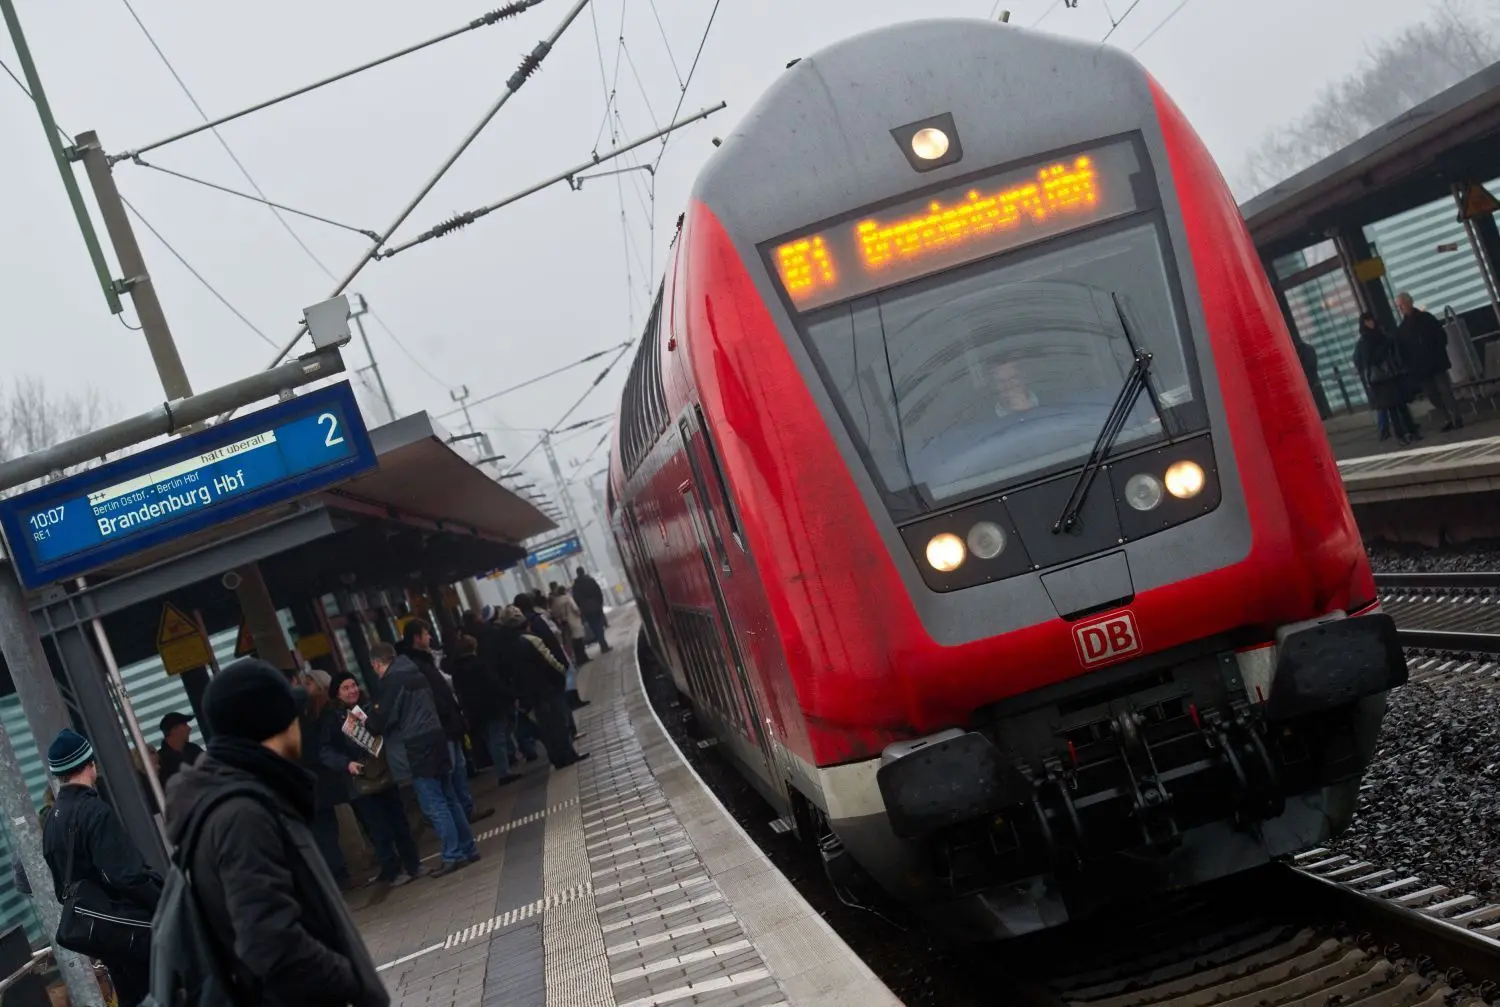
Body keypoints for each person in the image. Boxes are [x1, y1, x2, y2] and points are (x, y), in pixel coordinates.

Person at [162, 658, 388, 1006]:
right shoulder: (242, 814)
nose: (298, 725)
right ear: (273, 723)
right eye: (292, 716)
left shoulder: (237, 798)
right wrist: (351, 981)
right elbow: (270, 941)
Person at [42, 729, 161, 1006]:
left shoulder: (52, 822)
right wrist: (163, 903)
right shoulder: (95, 812)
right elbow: (127, 876)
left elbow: (61, 888)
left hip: (101, 934)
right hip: (132, 926)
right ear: (90, 764)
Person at [367, 642, 478, 877]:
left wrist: (367, 721)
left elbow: (381, 720)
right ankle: (469, 849)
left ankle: (452, 855)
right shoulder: (415, 673)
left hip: (417, 745)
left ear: (376, 664)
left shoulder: (393, 681)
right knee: (449, 797)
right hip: (437, 738)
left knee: (434, 804)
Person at [329, 672, 423, 887]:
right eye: (345, 688)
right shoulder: (333, 718)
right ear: (337, 693)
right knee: (379, 829)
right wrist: (346, 763)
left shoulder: (369, 707)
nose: (352, 690)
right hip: (361, 779)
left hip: (384, 771)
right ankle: (393, 871)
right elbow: (326, 750)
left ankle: (414, 864)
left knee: (400, 821)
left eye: (354, 685)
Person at [399, 619, 492, 824]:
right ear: (417, 638)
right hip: (440, 726)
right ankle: (459, 813)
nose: (430, 637)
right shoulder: (416, 666)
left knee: (459, 768)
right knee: (450, 771)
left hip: (450, 722)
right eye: (426, 633)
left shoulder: (426, 661)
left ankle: (466, 809)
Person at [495, 606, 587, 769]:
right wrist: (562, 674)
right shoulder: (531, 640)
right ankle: (568, 755)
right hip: (547, 688)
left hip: (529, 694)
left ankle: (556, 759)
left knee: (545, 727)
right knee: (559, 722)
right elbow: (550, 661)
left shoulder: (503, 647)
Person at [299, 671, 357, 890]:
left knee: (325, 830)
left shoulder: (318, 712)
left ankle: (338, 874)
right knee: (327, 830)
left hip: (324, 778)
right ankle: (340, 874)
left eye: (308, 683)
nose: (305, 687)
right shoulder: (316, 712)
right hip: (327, 777)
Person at [444, 634, 522, 787]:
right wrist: (510, 695)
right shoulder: (480, 665)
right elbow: (493, 683)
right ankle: (503, 772)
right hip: (491, 706)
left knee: (490, 739)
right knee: (498, 738)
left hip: (473, 711)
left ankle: (501, 766)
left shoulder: (456, 670)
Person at [1395, 291, 1463, 432]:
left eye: (1402, 305)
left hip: (1436, 363)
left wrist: (1437, 350)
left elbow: (1441, 336)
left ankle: (1455, 418)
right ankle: (1447, 416)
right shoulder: (1402, 329)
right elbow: (1403, 350)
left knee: (1445, 391)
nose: (1400, 309)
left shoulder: (1426, 318)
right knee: (1432, 395)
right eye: (1398, 306)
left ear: (1409, 303)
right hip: (1420, 369)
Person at [1353, 312, 1420, 446]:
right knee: (1393, 408)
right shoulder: (1365, 341)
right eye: (1367, 321)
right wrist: (1385, 347)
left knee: (1400, 406)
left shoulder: (1380, 335)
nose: (1371, 323)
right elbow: (1370, 359)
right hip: (1382, 379)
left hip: (1391, 375)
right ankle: (1402, 435)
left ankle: (1410, 431)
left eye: (1371, 320)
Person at [549, 584, 590, 668]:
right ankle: (583, 657)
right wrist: (579, 613)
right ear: (564, 591)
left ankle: (578, 659)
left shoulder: (556, 602)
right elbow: (575, 608)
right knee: (579, 640)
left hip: (565, 623)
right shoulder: (568, 598)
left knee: (572, 641)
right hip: (573, 620)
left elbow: (555, 613)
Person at [157, 711, 202, 785]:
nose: (189, 728)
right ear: (173, 729)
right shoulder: (160, 759)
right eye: (184, 725)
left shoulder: (194, 749)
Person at [572, 568, 610, 653]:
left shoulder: (576, 585)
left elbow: (575, 598)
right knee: (599, 625)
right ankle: (603, 644)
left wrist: (581, 607)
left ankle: (602, 643)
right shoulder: (590, 580)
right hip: (595, 605)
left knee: (593, 626)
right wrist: (600, 603)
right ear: (583, 571)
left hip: (585, 608)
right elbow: (598, 591)